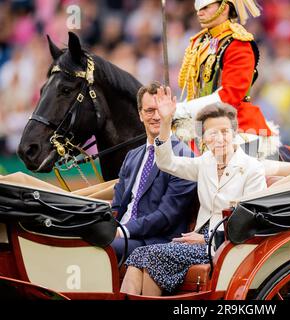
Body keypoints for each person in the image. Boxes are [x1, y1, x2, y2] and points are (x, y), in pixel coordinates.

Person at [120, 86, 267, 296]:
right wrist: (166, 121)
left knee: (149, 256)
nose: (220, 138)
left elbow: (251, 222)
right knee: (139, 256)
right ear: (204, 139)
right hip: (197, 243)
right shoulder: (205, 163)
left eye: (225, 132)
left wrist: (207, 239)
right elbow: (166, 162)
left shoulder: (251, 168)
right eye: (212, 133)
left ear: (234, 134)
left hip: (226, 246)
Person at [174, 0, 280, 158]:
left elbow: (229, 96)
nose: (199, 12)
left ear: (224, 8)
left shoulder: (238, 44)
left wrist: (183, 109)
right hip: (200, 122)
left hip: (234, 123)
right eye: (198, 9)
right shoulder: (200, 42)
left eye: (205, 8)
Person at [110, 82, 197, 262]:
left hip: (156, 240)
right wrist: (106, 226)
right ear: (140, 115)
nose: (157, 116)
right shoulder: (132, 156)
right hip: (121, 233)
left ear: (170, 113)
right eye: (150, 111)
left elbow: (166, 215)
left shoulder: (183, 156)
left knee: (104, 248)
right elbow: (117, 205)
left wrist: (122, 231)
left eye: (161, 110)